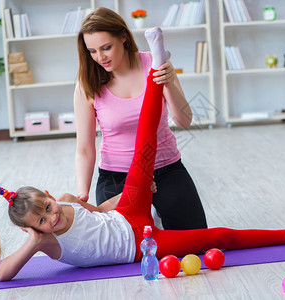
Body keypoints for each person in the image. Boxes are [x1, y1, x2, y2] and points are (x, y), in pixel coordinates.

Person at [0, 29, 285, 281]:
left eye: (46, 207)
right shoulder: (43, 238)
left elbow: (101, 213)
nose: (51, 216)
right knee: (216, 238)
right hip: (140, 242)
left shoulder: (65, 203)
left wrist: (135, 193)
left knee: (146, 145)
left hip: (131, 206)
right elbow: (2, 273)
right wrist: (33, 239)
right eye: (42, 220)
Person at [74, 7, 207, 230]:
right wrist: (82, 192)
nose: (100, 57)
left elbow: (184, 121)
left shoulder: (155, 63)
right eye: (92, 51)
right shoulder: (87, 83)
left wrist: (170, 82)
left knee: (195, 246)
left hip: (166, 169)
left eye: (106, 48)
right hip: (118, 177)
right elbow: (85, 148)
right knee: (124, 251)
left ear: (124, 37)